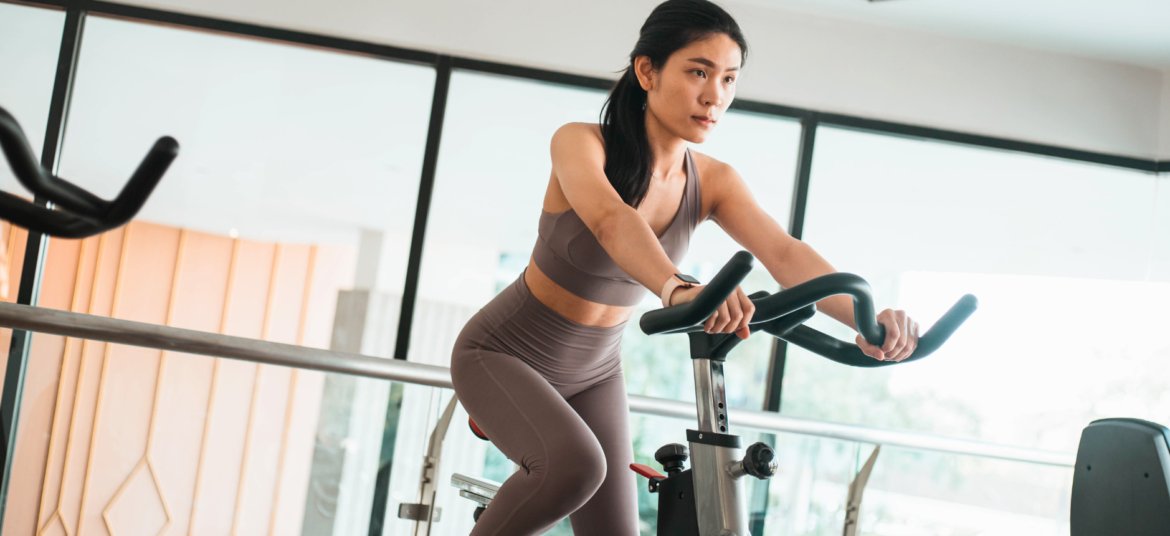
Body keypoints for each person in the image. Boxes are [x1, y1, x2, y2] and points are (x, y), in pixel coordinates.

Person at [449, 1, 920, 534]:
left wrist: (870, 321)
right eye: (698, 71)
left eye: (728, 79)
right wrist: (680, 290)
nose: (714, 94)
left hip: (596, 371)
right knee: (575, 468)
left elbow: (784, 254)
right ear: (648, 71)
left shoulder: (715, 180)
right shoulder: (580, 142)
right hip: (502, 353)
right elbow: (610, 220)